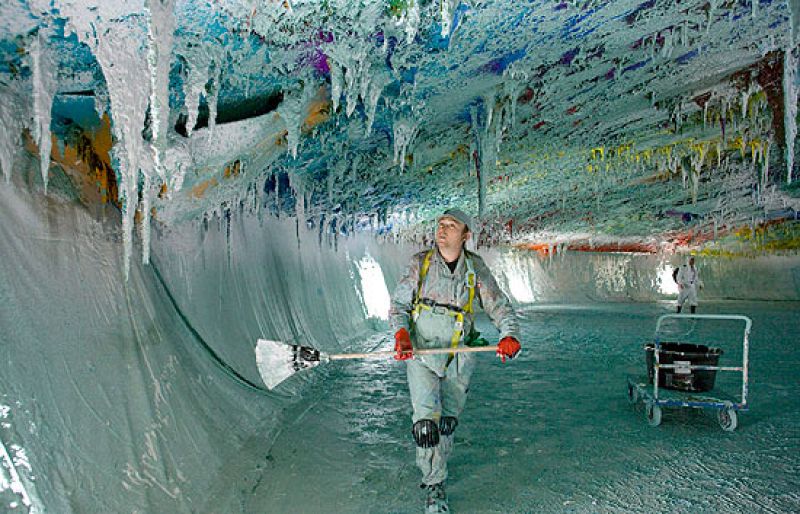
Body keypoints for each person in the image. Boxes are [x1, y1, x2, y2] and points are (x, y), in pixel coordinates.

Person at [389, 208, 521, 514]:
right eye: (440, 224)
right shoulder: (420, 264)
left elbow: (498, 305)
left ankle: (440, 463)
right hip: (422, 354)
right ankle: (434, 484)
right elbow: (399, 305)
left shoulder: (474, 269)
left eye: (452, 225)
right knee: (426, 425)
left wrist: (509, 334)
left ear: (466, 235)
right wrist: (401, 333)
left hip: (459, 357)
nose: (443, 230)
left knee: (446, 423)